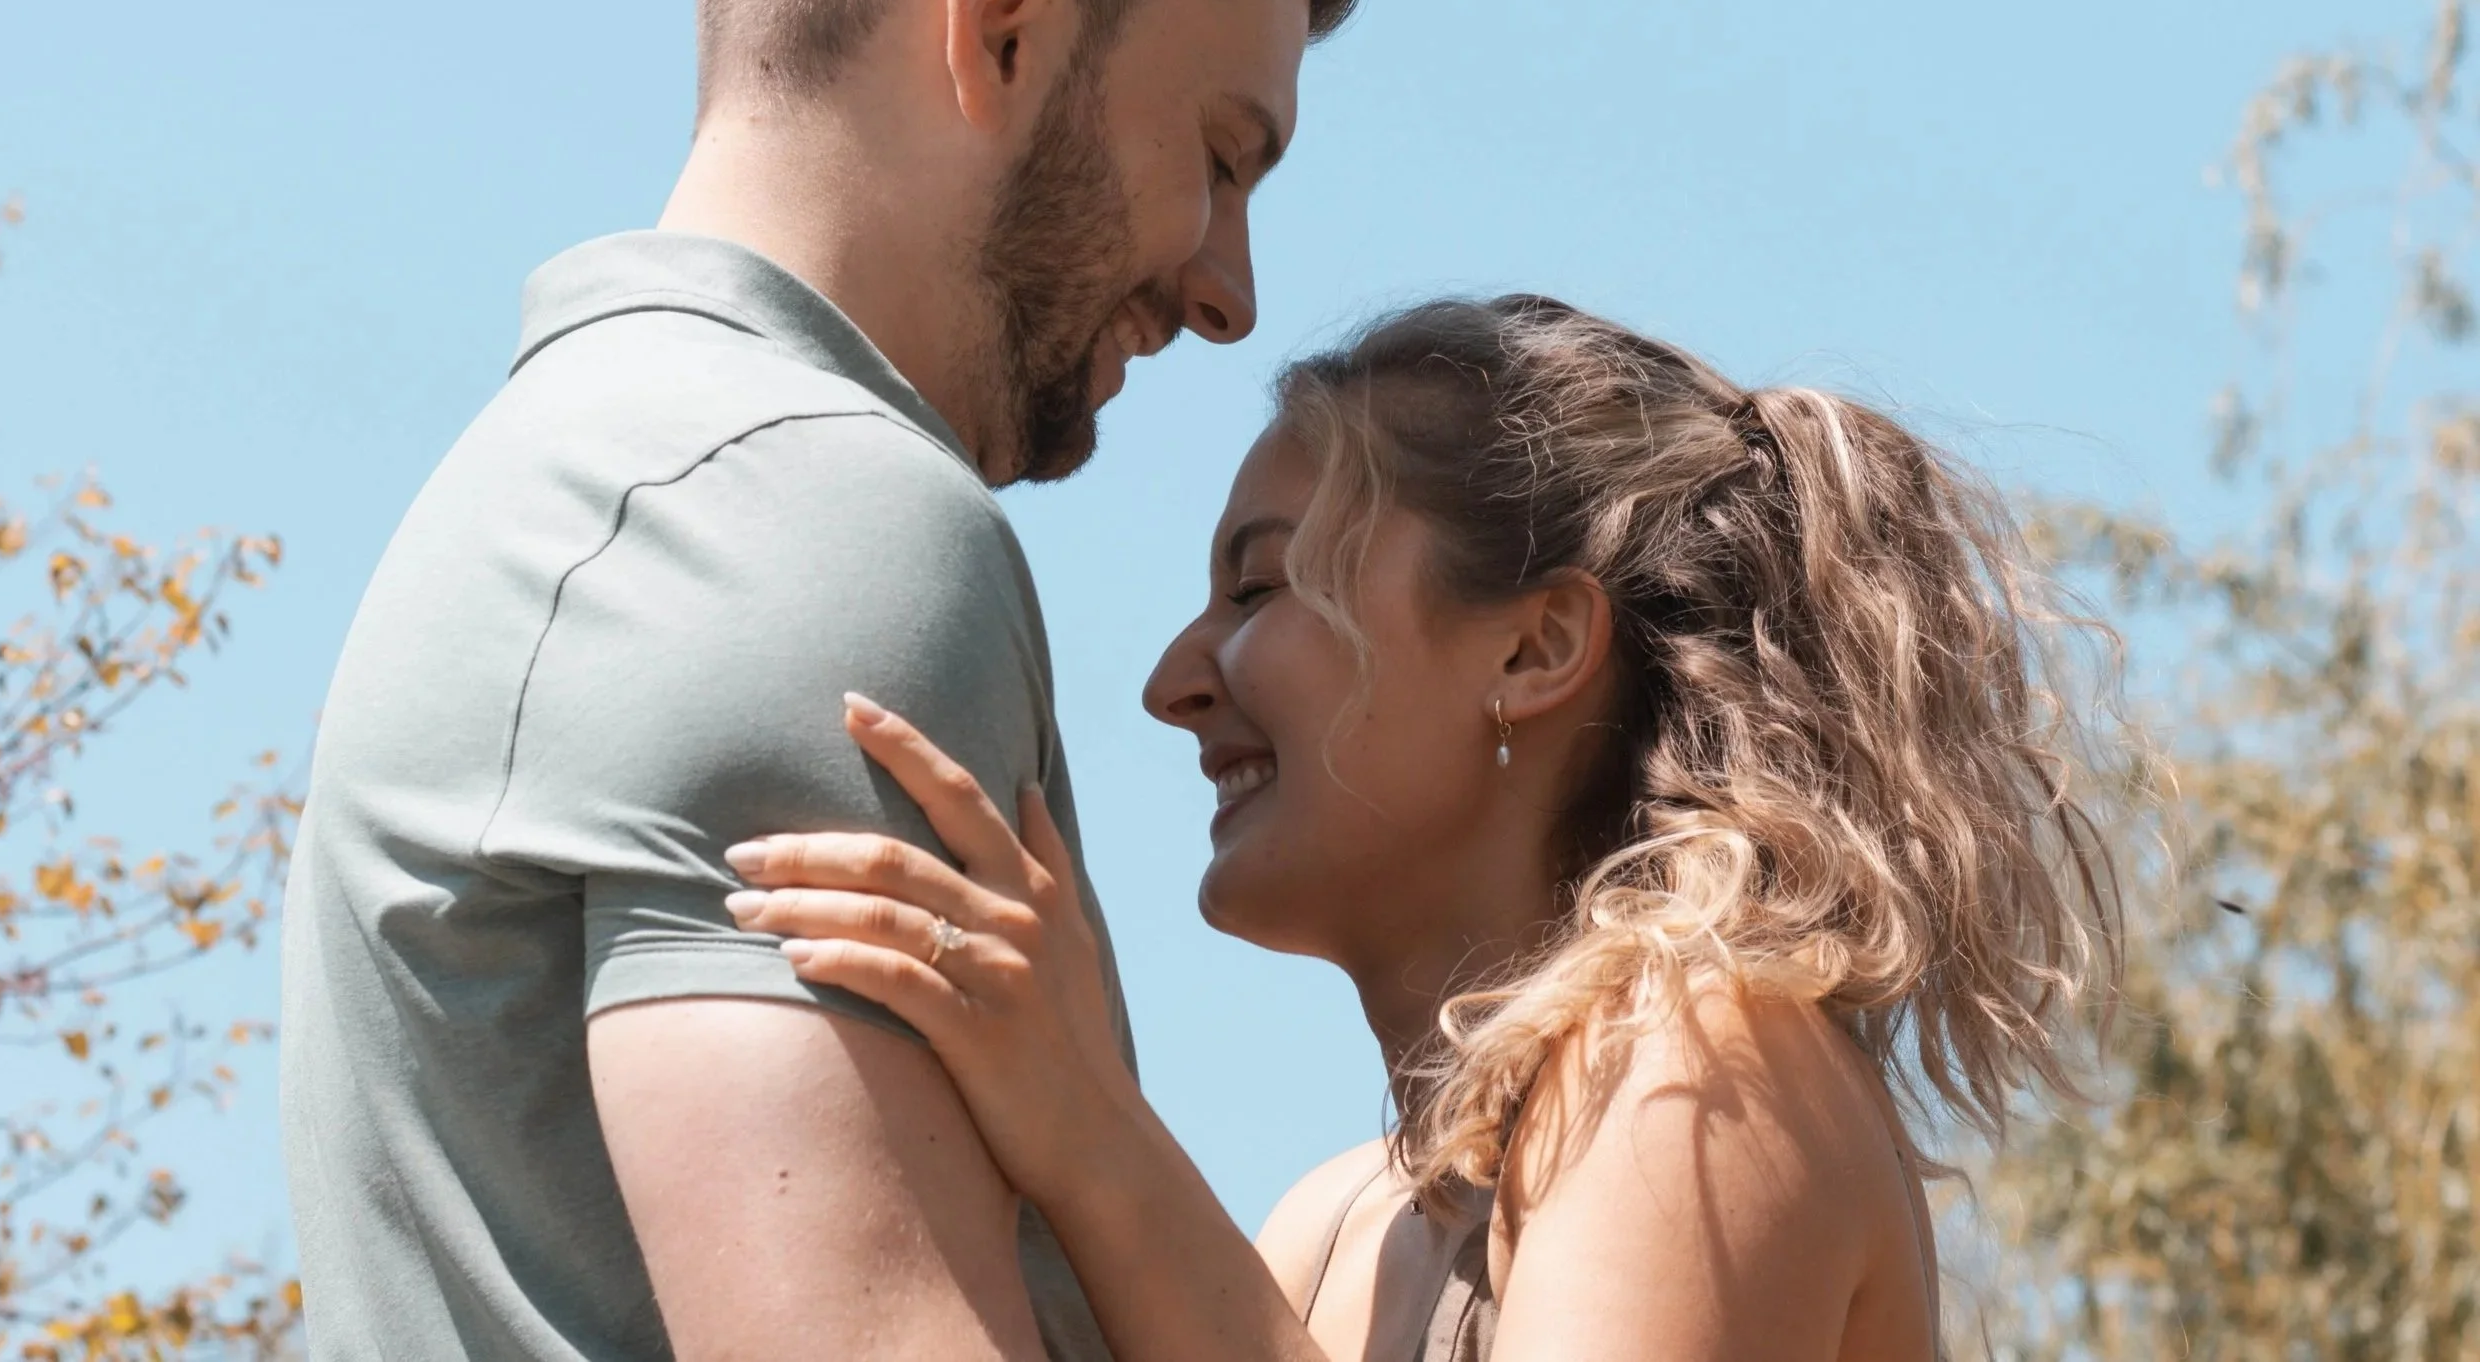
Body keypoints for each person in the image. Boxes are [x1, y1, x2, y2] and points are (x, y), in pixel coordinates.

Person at [275, 0, 1370, 1356]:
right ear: (1005, 19)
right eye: (1222, 157)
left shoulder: (609, 476)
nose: (1229, 290)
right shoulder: (801, 511)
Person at [726, 295, 2128, 1360]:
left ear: (1532, 650)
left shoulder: (1703, 1072)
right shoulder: (1331, 1233)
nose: (1173, 680)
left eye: (1259, 587)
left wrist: (1095, 1133)